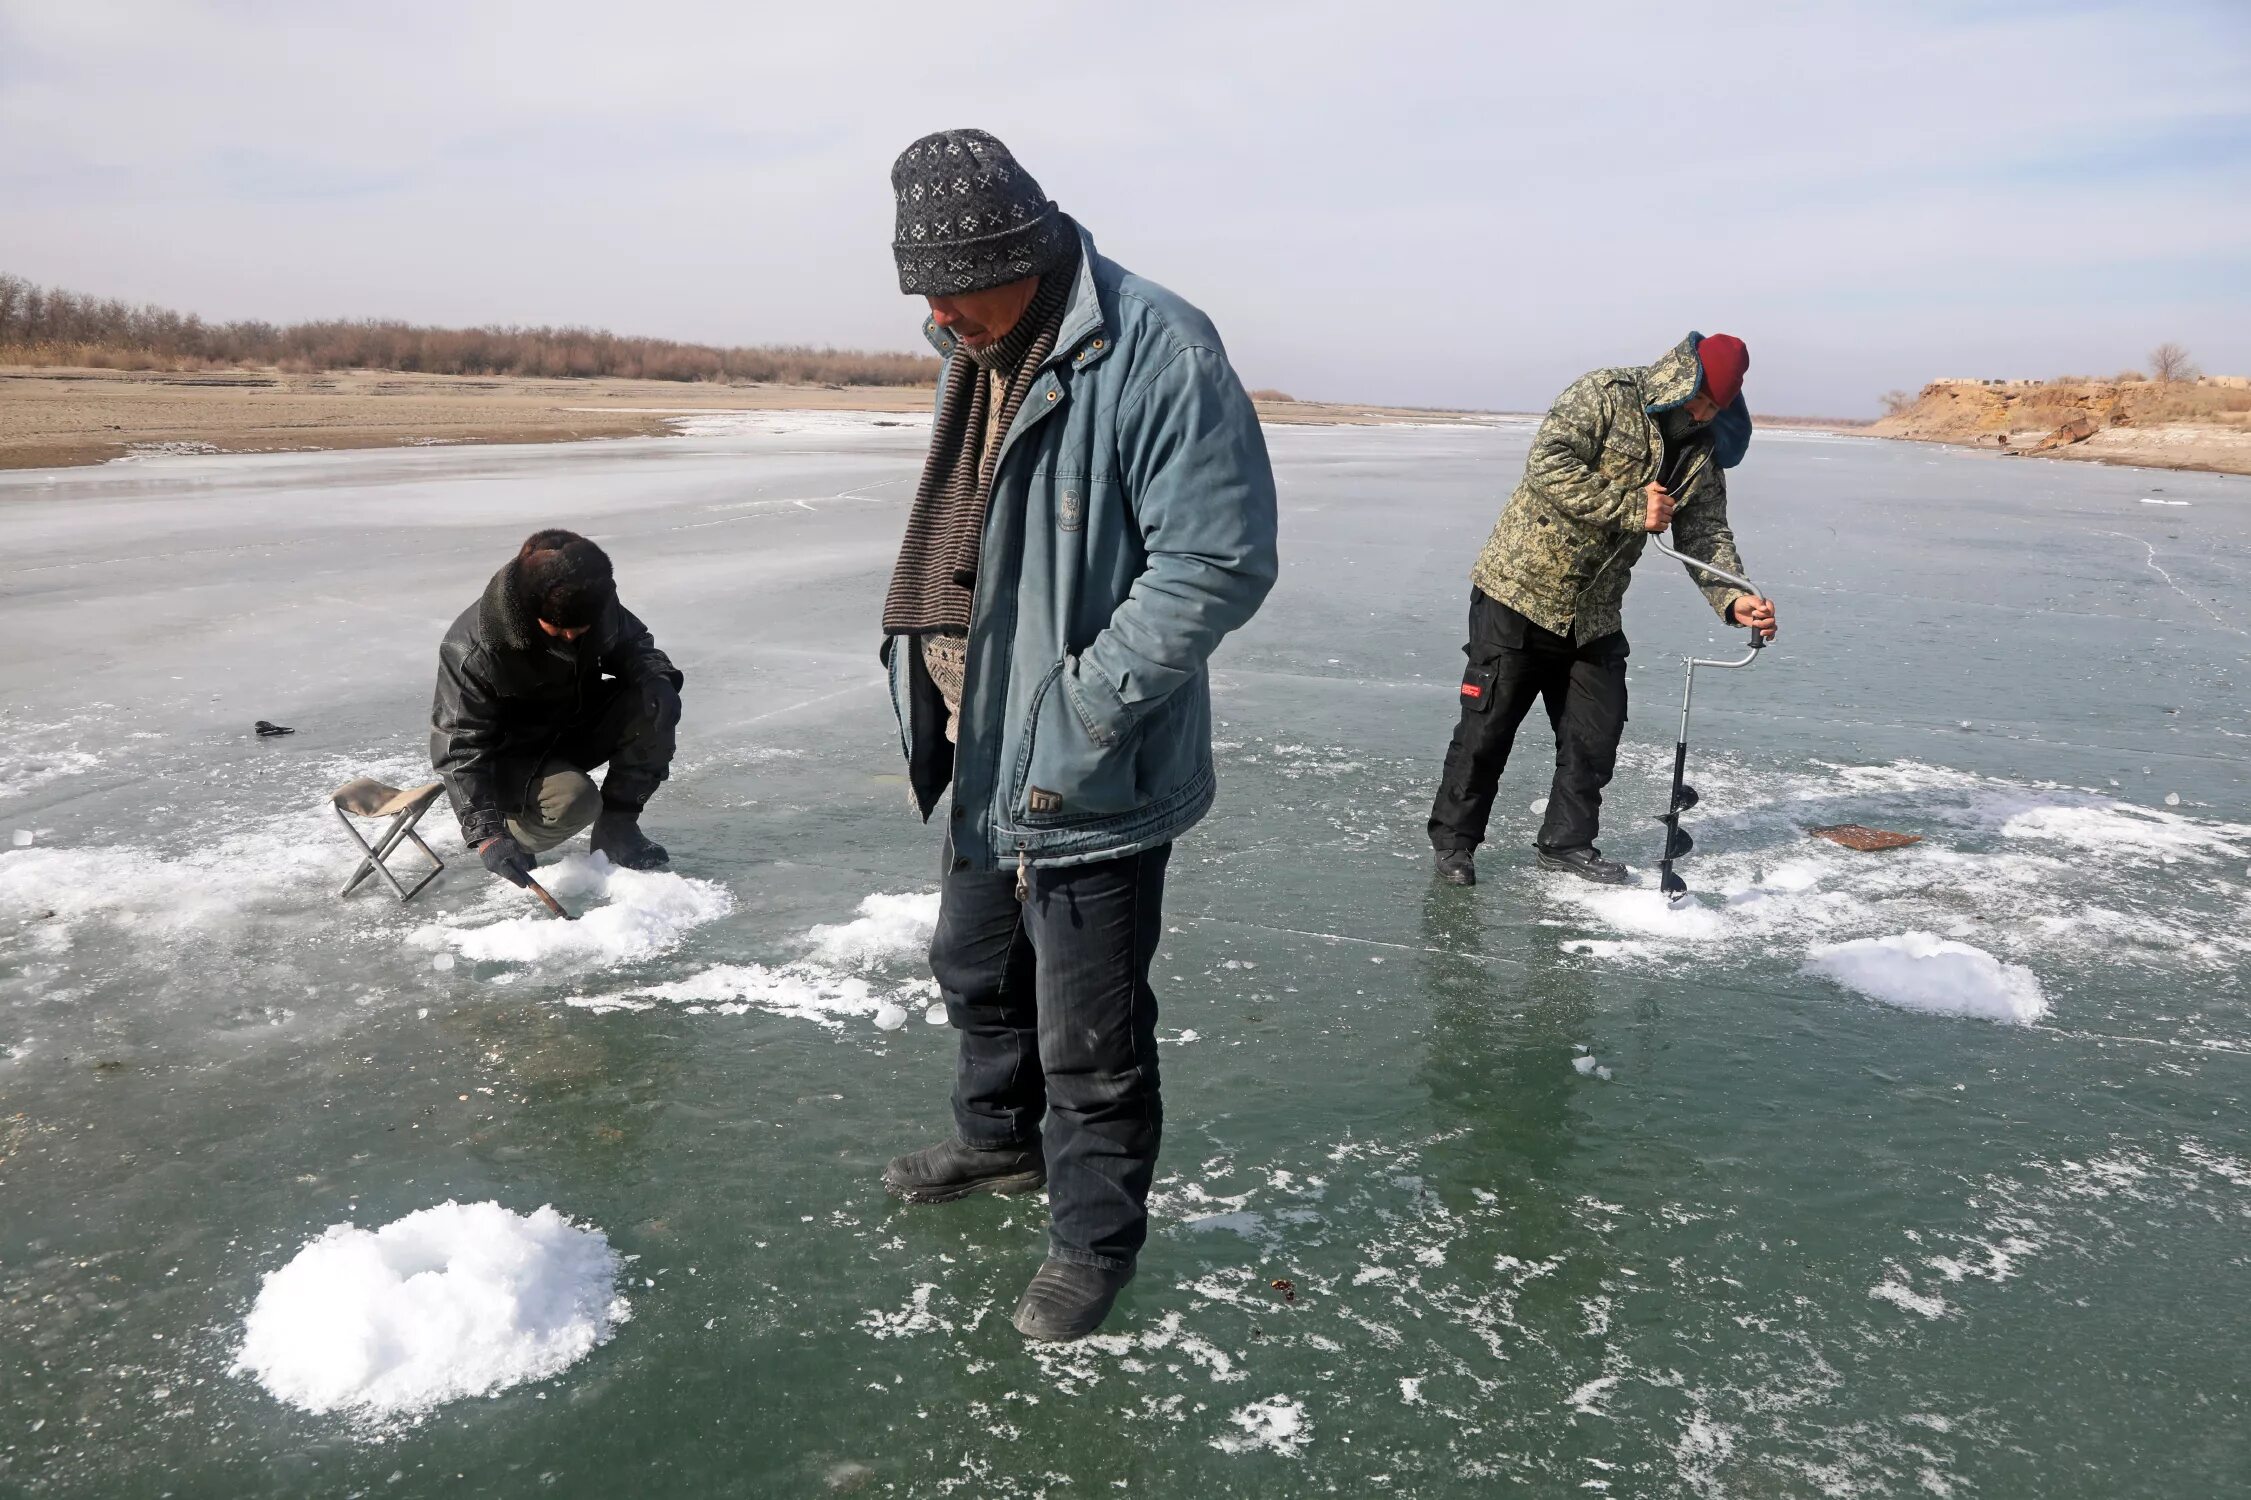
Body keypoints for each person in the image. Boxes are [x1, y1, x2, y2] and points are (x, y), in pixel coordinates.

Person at [875, 129, 1278, 1342]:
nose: (938, 316)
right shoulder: (983, 338)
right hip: (983, 735)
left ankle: (1093, 1240)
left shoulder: (1158, 346)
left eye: (954, 287)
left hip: (1086, 763)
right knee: (976, 970)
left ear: (1022, 253)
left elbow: (1216, 559)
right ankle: (1000, 1144)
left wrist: (1086, 709)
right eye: (922, 292)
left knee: (1089, 1031)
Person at [1427, 332, 1777, 888]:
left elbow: (1705, 532)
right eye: (1700, 397)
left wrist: (1734, 598)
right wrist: (1632, 505)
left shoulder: (1703, 451)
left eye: (1716, 405)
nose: (1702, 411)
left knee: (1596, 730)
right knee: (1487, 730)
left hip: (1594, 612)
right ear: (1681, 377)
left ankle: (1565, 841)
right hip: (1518, 591)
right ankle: (1455, 842)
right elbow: (1548, 463)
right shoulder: (1609, 394)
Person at [430, 529, 682, 887]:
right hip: (512, 759)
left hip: (571, 724)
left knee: (652, 702)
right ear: (527, 607)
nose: (571, 638)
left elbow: (633, 644)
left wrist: (656, 676)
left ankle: (618, 829)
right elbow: (458, 747)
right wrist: (486, 833)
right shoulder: (474, 648)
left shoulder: (592, 597)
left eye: (581, 630)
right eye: (559, 630)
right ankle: (514, 834)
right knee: (575, 802)